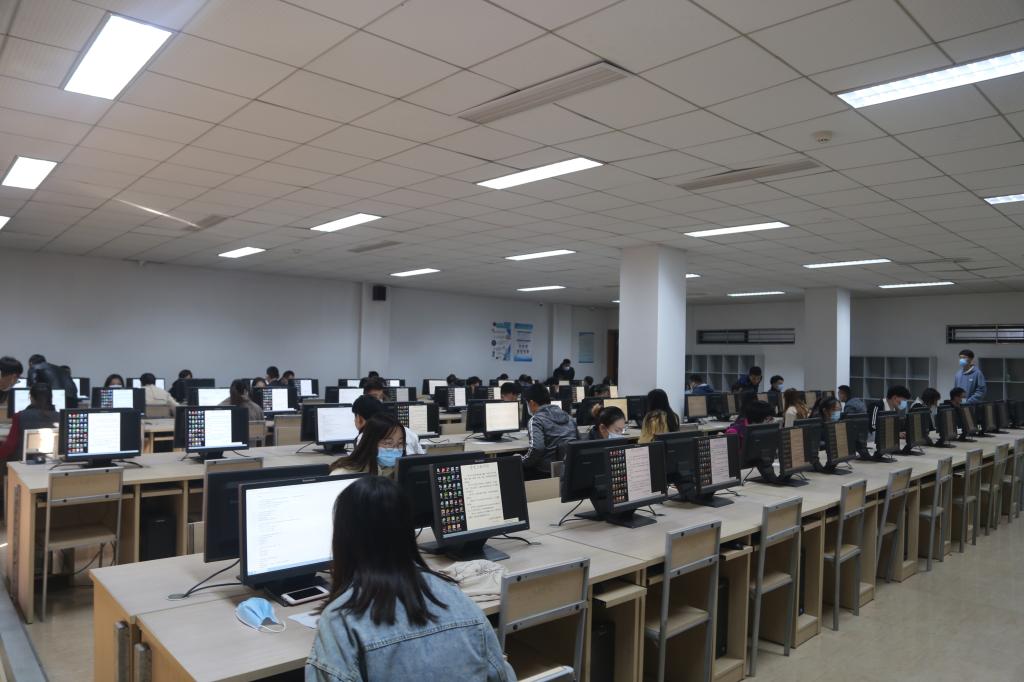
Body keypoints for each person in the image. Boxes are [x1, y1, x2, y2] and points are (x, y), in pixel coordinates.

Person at [308, 476, 514, 681]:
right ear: (407, 531)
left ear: (343, 538)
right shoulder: (456, 598)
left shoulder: (340, 621)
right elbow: (501, 674)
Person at [522, 383, 577, 480]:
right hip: (569, 470)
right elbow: (578, 443)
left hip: (545, 472)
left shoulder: (536, 420)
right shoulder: (569, 417)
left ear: (531, 403)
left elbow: (537, 449)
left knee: (515, 464)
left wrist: (521, 460)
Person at [330, 412, 405, 478]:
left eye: (400, 443)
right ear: (371, 443)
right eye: (388, 443)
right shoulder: (345, 474)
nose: (395, 449)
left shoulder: (400, 470)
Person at [0, 383, 60, 463]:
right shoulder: (60, 417)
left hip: (22, 463)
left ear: (31, 398)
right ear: (51, 398)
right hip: (51, 462)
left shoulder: (19, 416)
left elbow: (10, 446)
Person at [351, 395, 424, 454]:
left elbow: (362, 463)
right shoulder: (408, 432)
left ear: (359, 418)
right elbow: (422, 459)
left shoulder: (364, 437)